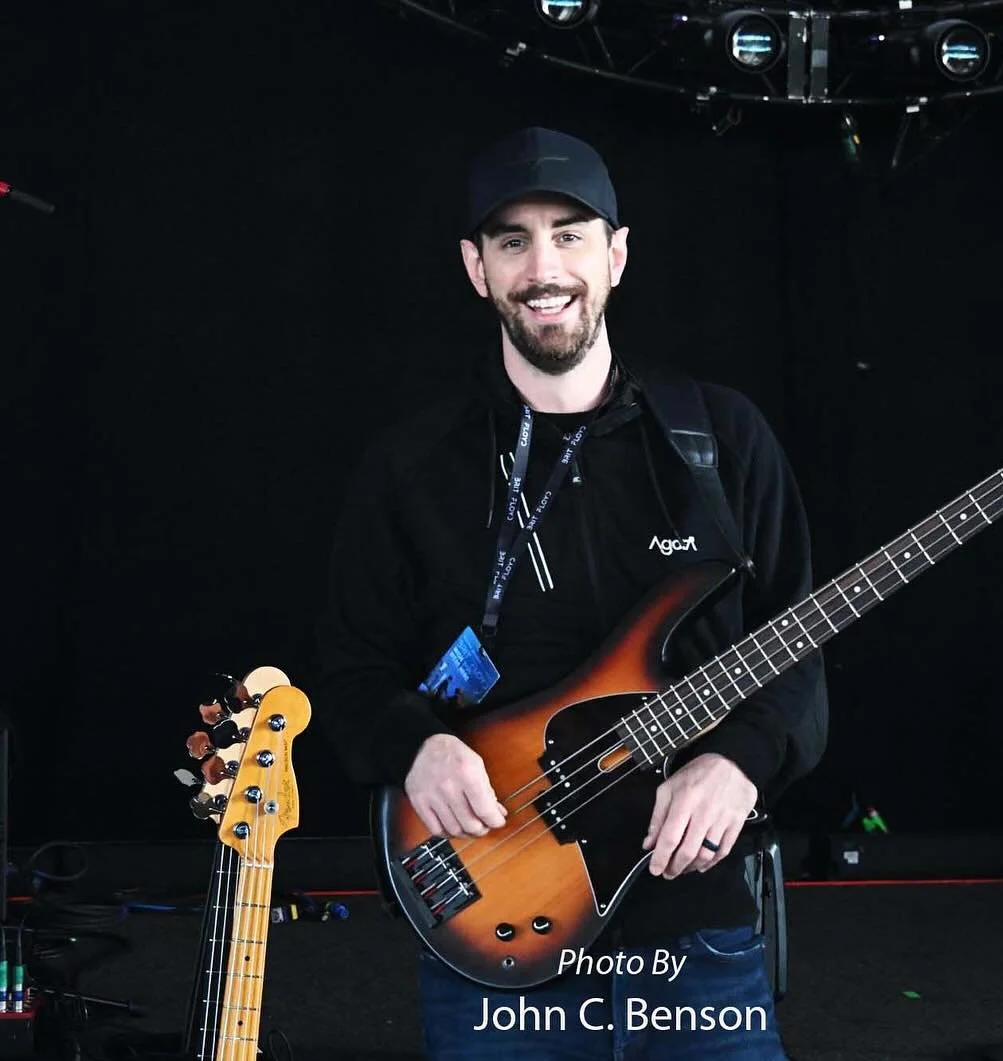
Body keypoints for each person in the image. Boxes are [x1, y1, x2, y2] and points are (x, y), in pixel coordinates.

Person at [311, 126, 827, 1059]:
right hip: (495, 932)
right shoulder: (412, 465)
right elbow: (350, 668)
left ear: (617, 255)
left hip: (696, 935)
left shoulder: (719, 438)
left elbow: (796, 642)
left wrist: (741, 760)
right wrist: (415, 745)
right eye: (512, 240)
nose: (543, 268)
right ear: (476, 268)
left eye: (570, 234)